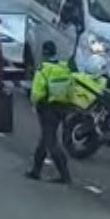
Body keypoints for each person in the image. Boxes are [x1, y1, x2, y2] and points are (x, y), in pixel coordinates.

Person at [27, 42, 73, 184]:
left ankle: (65, 175)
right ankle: (36, 170)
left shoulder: (43, 70)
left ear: (44, 53)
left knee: (51, 141)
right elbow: (71, 88)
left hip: (47, 108)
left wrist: (34, 104)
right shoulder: (63, 68)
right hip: (62, 107)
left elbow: (36, 92)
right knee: (45, 139)